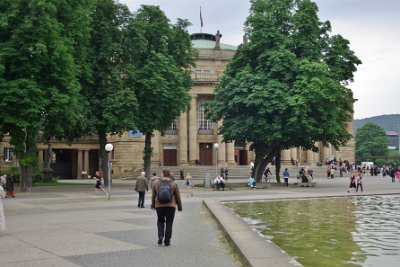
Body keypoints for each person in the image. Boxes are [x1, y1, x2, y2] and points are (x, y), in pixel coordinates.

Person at [151, 168, 182, 246]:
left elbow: (153, 196)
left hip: (159, 205)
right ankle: (167, 240)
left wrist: (153, 205)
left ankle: (160, 236)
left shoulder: (156, 182)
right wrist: (179, 206)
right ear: (169, 174)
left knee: (160, 220)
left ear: (163, 174)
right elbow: (177, 196)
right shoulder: (174, 183)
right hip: (171, 206)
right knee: (169, 222)